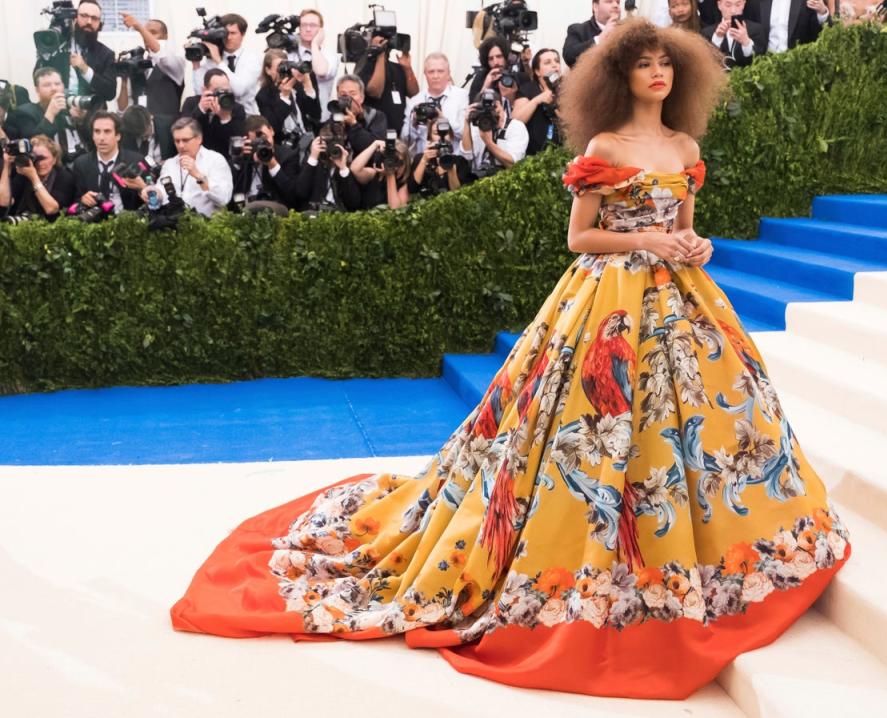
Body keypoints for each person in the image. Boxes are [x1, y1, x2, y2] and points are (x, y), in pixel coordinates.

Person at [170, 18, 850, 700]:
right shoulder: (606, 144)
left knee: (699, 426)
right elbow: (580, 237)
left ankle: (711, 551)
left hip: (680, 303)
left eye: (665, 62)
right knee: (594, 428)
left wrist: (692, 245)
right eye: (642, 63)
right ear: (620, 75)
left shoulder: (684, 145)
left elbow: (684, 227)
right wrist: (644, 240)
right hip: (605, 302)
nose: (657, 72)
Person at [117, 14, 185, 160]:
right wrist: (123, 80)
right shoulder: (137, 63)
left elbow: (162, 56)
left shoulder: (176, 61)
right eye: (146, 32)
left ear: (165, 36)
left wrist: (138, 27)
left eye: (153, 32)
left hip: (166, 136)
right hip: (137, 134)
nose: (147, 35)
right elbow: (123, 108)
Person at [34, 0, 117, 111]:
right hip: (58, 115)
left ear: (99, 24)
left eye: (94, 18)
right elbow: (37, 77)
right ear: (75, 18)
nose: (89, 22)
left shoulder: (106, 54)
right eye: (84, 16)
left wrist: (85, 69)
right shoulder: (57, 45)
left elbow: (110, 93)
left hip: (92, 119)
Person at [152, 117, 232, 217]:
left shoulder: (216, 160)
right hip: (175, 225)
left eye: (185, 140)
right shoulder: (170, 164)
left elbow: (224, 199)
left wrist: (199, 176)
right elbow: (162, 192)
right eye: (177, 141)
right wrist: (152, 192)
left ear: (199, 139)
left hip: (207, 226)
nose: (181, 146)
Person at [71, 111, 145, 211]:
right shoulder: (81, 163)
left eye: (107, 131)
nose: (101, 138)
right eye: (97, 131)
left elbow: (145, 201)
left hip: (128, 220)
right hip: (94, 222)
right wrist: (82, 200)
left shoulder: (135, 161)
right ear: (92, 135)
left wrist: (142, 188)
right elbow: (74, 202)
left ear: (118, 135)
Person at [400, 53, 470, 156]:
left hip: (453, 160)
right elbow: (405, 142)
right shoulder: (415, 101)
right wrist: (414, 125)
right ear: (425, 74)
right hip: (424, 163)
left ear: (448, 73)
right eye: (431, 72)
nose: (435, 76)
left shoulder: (462, 96)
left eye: (440, 71)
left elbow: (467, 135)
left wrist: (445, 121)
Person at [190, 13, 260, 115]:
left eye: (233, 33)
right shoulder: (212, 58)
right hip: (218, 119)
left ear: (243, 34)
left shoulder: (252, 59)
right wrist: (196, 64)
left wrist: (219, 61)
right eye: (225, 33)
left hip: (246, 119)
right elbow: (199, 92)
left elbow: (239, 90)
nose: (228, 37)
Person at [231, 115, 300, 209]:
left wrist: (273, 164)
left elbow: (293, 195)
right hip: (245, 208)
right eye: (256, 142)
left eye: (265, 138)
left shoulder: (288, 155)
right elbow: (231, 190)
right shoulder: (245, 155)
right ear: (248, 140)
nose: (262, 144)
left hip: (275, 211)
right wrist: (239, 160)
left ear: (271, 130)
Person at [0, 135, 75, 221]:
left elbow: (51, 209)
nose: (39, 163)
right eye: (35, 158)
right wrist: (7, 166)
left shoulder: (64, 177)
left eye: (43, 158)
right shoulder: (23, 174)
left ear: (54, 159)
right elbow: (3, 202)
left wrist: (33, 177)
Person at [255, 49, 322, 145]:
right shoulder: (263, 96)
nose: (283, 70)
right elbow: (273, 127)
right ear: (268, 70)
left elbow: (316, 115)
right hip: (284, 146)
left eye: (285, 65)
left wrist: (307, 84)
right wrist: (285, 97)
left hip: (306, 141)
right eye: (279, 67)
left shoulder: (298, 87)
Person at [460, 88, 529, 179]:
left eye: (493, 108)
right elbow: (467, 154)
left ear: (500, 106)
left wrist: (488, 142)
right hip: (479, 180)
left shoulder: (515, 126)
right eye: (483, 109)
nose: (489, 113)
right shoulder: (477, 125)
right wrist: (466, 122)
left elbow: (513, 164)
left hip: (507, 180)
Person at [356, 35, 419, 134]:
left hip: (398, 132)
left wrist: (407, 68)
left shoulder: (398, 67)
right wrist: (380, 54)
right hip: (375, 132)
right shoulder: (365, 65)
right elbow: (375, 92)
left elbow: (414, 93)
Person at [289, 9, 341, 121]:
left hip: (322, 120)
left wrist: (314, 44)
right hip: (296, 120)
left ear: (321, 29)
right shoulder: (289, 54)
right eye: (303, 25)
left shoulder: (329, 55)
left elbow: (321, 71)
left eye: (312, 25)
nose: (308, 29)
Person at [181, 69, 247, 158]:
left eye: (226, 91)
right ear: (204, 90)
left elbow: (237, 142)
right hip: (196, 158)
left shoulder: (236, 108)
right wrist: (201, 109)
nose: (222, 95)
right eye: (217, 91)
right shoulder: (191, 103)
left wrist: (225, 118)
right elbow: (183, 132)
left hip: (224, 159)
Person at [511, 49, 563, 156]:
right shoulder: (528, 90)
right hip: (534, 157)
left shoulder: (568, 89)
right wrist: (537, 100)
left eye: (557, 61)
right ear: (537, 71)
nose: (554, 65)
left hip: (563, 154)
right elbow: (516, 120)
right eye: (547, 62)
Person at [408, 118, 472, 198]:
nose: (442, 137)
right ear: (429, 137)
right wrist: (424, 160)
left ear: (451, 136)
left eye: (445, 133)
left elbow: (458, 194)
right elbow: (412, 189)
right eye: (436, 133)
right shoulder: (420, 158)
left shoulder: (460, 161)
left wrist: (450, 166)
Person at [349, 136, 412, 209]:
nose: (396, 167)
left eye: (399, 163)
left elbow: (395, 209)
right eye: (393, 161)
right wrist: (375, 145)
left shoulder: (405, 184)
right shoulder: (375, 175)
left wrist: (390, 174)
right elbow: (355, 170)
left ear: (406, 163)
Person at [703, 0, 768, 68]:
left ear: (743, 4)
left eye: (738, 5)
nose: (733, 11)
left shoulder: (756, 30)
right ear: (719, 5)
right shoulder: (707, 33)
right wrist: (717, 39)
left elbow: (760, 60)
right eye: (728, 5)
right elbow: (705, 62)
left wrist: (746, 42)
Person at [745, 0, 830, 51]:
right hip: (763, 66)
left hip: (798, 66)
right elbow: (749, 29)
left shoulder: (808, 1)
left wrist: (822, 13)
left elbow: (821, 35)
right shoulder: (755, 2)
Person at [336, 74, 389, 155]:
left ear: (362, 97)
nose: (348, 99)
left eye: (352, 94)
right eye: (343, 95)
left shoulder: (376, 116)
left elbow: (375, 148)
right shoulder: (336, 115)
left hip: (368, 165)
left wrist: (354, 124)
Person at [563, 0, 622, 67]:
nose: (616, 5)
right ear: (595, 7)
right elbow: (569, 57)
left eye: (618, 2)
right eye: (609, 1)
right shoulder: (578, 30)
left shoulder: (627, 31)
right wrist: (600, 38)